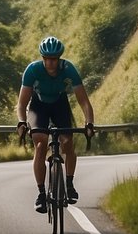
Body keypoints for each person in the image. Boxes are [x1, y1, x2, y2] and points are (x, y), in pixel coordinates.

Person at [16, 36, 95, 213]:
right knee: (40, 144)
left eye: (54, 59)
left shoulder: (68, 69)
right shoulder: (33, 70)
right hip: (38, 107)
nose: (50, 63)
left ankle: (69, 183)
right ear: (42, 58)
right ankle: (41, 194)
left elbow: (84, 102)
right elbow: (22, 104)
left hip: (60, 104)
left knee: (67, 144)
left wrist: (89, 123)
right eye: (47, 59)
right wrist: (22, 121)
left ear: (59, 59)